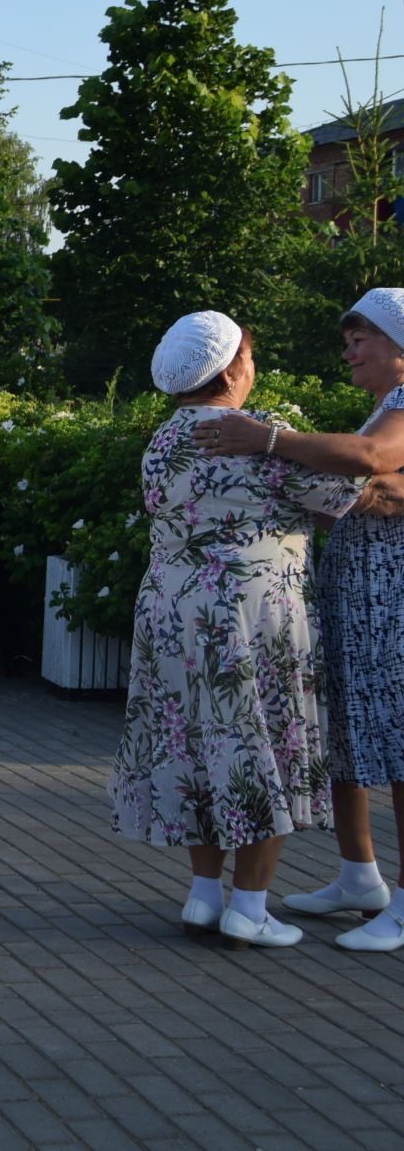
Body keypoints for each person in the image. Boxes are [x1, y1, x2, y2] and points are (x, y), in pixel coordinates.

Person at [111, 311, 369, 949]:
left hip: (171, 611)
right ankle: (249, 907)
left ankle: (203, 896)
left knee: (196, 742)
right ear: (232, 371)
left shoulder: (163, 441)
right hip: (251, 615)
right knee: (265, 745)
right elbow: (356, 495)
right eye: (251, 360)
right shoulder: (253, 438)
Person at [191, 288, 404, 951]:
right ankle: (358, 872)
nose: (348, 350)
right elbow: (365, 486)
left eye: (360, 338)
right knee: (346, 734)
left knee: (397, 743)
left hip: (391, 597)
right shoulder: (383, 406)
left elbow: (370, 466)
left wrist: (269, 439)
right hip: (357, 592)